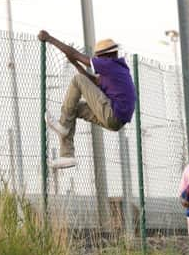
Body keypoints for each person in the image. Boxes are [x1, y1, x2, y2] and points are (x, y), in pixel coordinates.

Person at [37, 30, 136, 169]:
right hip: (115, 120)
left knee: (77, 80)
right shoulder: (116, 70)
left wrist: (49, 39)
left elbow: (75, 54)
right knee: (74, 109)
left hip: (112, 113)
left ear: (107, 55)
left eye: (98, 57)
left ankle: (64, 127)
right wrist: (76, 65)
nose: (97, 60)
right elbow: (92, 82)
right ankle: (67, 155)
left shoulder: (109, 64)